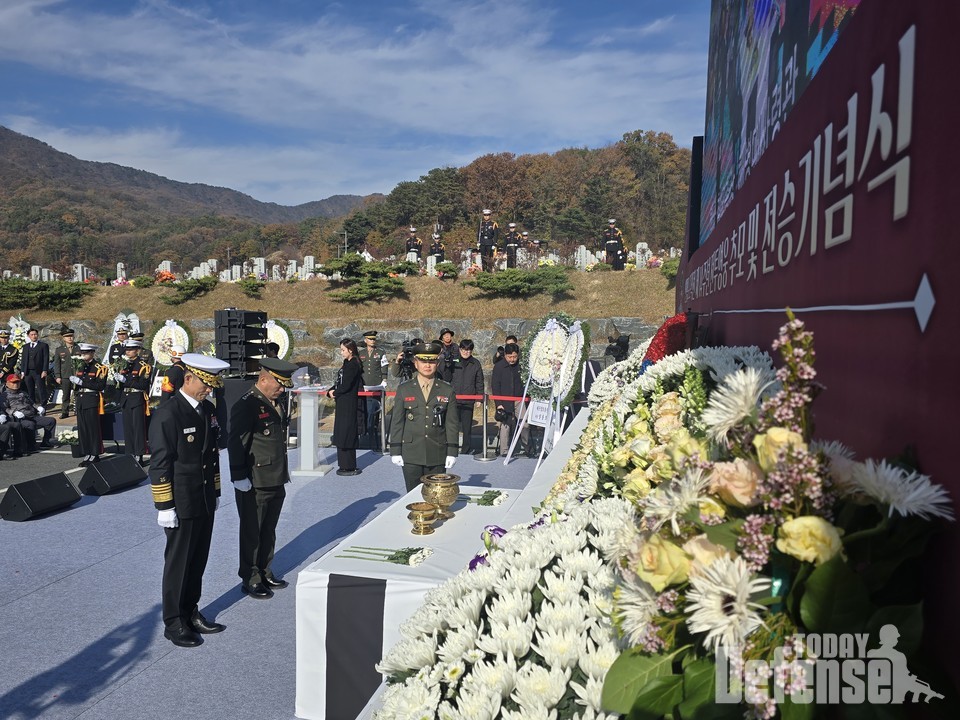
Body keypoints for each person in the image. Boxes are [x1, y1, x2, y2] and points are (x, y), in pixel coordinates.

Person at [150, 353, 230, 647]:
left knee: (197, 561)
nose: (209, 389)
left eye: (212, 384)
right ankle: (173, 622)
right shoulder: (168, 414)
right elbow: (160, 463)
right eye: (205, 384)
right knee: (178, 564)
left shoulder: (206, 409)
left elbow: (212, 455)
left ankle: (190, 611)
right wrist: (164, 505)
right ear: (188, 379)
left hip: (204, 496)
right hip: (180, 501)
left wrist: (216, 491)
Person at [228, 356, 298, 600]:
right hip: (254, 480)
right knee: (252, 531)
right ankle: (251, 577)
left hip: (275, 476)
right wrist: (238, 476)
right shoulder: (246, 405)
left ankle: (265, 570)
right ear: (264, 379)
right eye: (278, 384)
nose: (282, 389)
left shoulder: (274, 402)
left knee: (268, 529)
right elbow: (237, 443)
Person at [389, 341, 460, 492]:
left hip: (437, 452)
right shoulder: (404, 389)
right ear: (416, 363)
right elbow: (397, 422)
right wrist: (395, 450)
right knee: (412, 494)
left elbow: (452, 423)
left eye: (432, 361)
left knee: (436, 494)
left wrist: (452, 451)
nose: (427, 365)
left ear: (437, 363)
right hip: (411, 453)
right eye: (423, 361)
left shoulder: (447, 390)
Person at [325, 339, 364, 476]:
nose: (341, 353)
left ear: (350, 350)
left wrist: (335, 392)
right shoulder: (347, 363)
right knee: (341, 432)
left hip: (348, 402)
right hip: (342, 401)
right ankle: (343, 463)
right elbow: (340, 381)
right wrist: (331, 390)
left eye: (343, 350)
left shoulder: (354, 364)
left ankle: (348, 465)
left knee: (347, 432)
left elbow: (347, 384)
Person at [70, 343, 108, 466]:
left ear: (92, 353)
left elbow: (100, 386)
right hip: (81, 399)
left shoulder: (100, 368)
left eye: (86, 353)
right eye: (82, 353)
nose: (83, 355)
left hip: (91, 399)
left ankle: (95, 453)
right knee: (83, 428)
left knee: (92, 428)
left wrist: (82, 382)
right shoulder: (80, 366)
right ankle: (87, 452)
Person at [115, 339, 151, 464]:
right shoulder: (124, 364)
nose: (128, 352)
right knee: (128, 429)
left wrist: (126, 380)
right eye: (126, 350)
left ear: (137, 350)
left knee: (138, 428)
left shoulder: (143, 366)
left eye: (130, 350)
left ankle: (139, 454)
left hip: (136, 398)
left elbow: (143, 384)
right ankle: (129, 453)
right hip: (126, 398)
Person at [2, 371, 57, 453]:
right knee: (30, 424)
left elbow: (32, 403)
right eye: (13, 382)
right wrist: (13, 412)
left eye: (17, 382)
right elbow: (4, 408)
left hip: (31, 415)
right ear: (7, 383)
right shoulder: (5, 395)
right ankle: (30, 445)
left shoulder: (23, 393)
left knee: (51, 421)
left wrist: (38, 407)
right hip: (19, 418)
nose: (16, 384)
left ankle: (46, 442)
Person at [491, 342, 530, 456]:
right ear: (505, 356)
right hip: (504, 399)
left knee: (525, 424)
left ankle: (527, 447)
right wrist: (498, 403)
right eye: (510, 357)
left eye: (514, 357)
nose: (512, 359)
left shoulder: (522, 365)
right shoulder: (499, 366)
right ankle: (504, 451)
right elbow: (495, 386)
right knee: (505, 425)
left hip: (519, 399)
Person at [450, 339, 484, 455]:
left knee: (467, 428)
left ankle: (466, 450)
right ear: (460, 349)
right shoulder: (454, 361)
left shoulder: (476, 363)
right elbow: (446, 376)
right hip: (454, 399)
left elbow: (479, 381)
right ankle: (452, 449)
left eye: (468, 350)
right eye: (464, 349)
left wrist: (479, 398)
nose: (466, 352)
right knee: (452, 427)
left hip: (468, 400)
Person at [358, 330, 388, 449]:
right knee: (364, 412)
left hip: (376, 387)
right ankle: (363, 436)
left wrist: (384, 380)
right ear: (365, 340)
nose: (372, 341)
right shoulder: (361, 353)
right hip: (364, 388)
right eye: (370, 339)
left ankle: (373, 440)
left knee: (373, 413)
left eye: (374, 339)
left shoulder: (380, 352)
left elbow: (384, 366)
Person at [52, 325, 79, 419]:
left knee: (78, 394)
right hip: (65, 375)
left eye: (71, 336)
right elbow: (57, 364)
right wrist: (58, 376)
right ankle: (65, 412)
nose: (70, 338)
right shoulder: (59, 350)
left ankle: (78, 410)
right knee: (66, 395)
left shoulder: (79, 348)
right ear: (64, 338)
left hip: (77, 375)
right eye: (67, 336)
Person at [19, 327, 50, 406]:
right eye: (32, 335)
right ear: (29, 336)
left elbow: (46, 359)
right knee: (30, 391)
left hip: (39, 372)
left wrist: (45, 370)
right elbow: (24, 360)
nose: (34, 336)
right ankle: (32, 407)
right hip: (27, 372)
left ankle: (43, 407)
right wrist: (22, 371)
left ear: (37, 335)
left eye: (35, 334)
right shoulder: (25, 347)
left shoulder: (43, 346)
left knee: (41, 390)